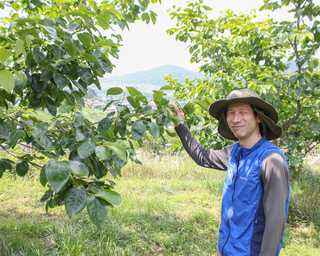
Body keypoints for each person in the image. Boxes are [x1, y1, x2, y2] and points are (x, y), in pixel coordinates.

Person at [173, 89, 290, 256]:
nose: (235, 119)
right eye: (231, 113)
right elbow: (203, 157)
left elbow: (275, 224)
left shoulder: (270, 161)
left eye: (243, 112)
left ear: (258, 117)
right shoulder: (234, 153)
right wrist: (180, 124)